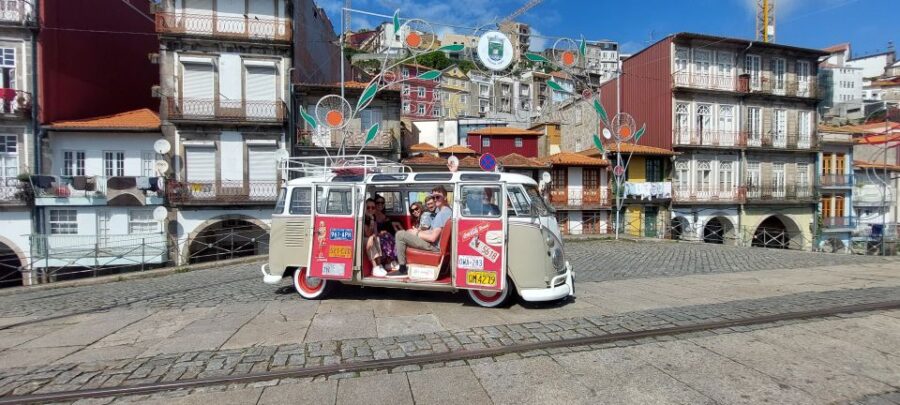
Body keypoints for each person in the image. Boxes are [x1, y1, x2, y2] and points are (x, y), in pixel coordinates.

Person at [389, 187, 452, 278]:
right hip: (435, 244)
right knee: (407, 233)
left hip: (434, 246)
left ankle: (402, 269)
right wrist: (417, 231)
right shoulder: (446, 211)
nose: (435, 200)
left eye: (438, 197)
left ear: (445, 197)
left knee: (400, 235)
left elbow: (432, 238)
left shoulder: (442, 214)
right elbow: (433, 232)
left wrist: (417, 234)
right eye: (433, 197)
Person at [365, 196, 398, 277]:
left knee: (383, 237)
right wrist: (372, 236)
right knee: (373, 240)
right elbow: (367, 233)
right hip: (362, 238)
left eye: (372, 208)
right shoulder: (363, 218)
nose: (370, 209)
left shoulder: (373, 217)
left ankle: (382, 264)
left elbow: (375, 232)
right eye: (368, 207)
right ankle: (375, 267)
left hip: (371, 236)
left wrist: (374, 235)